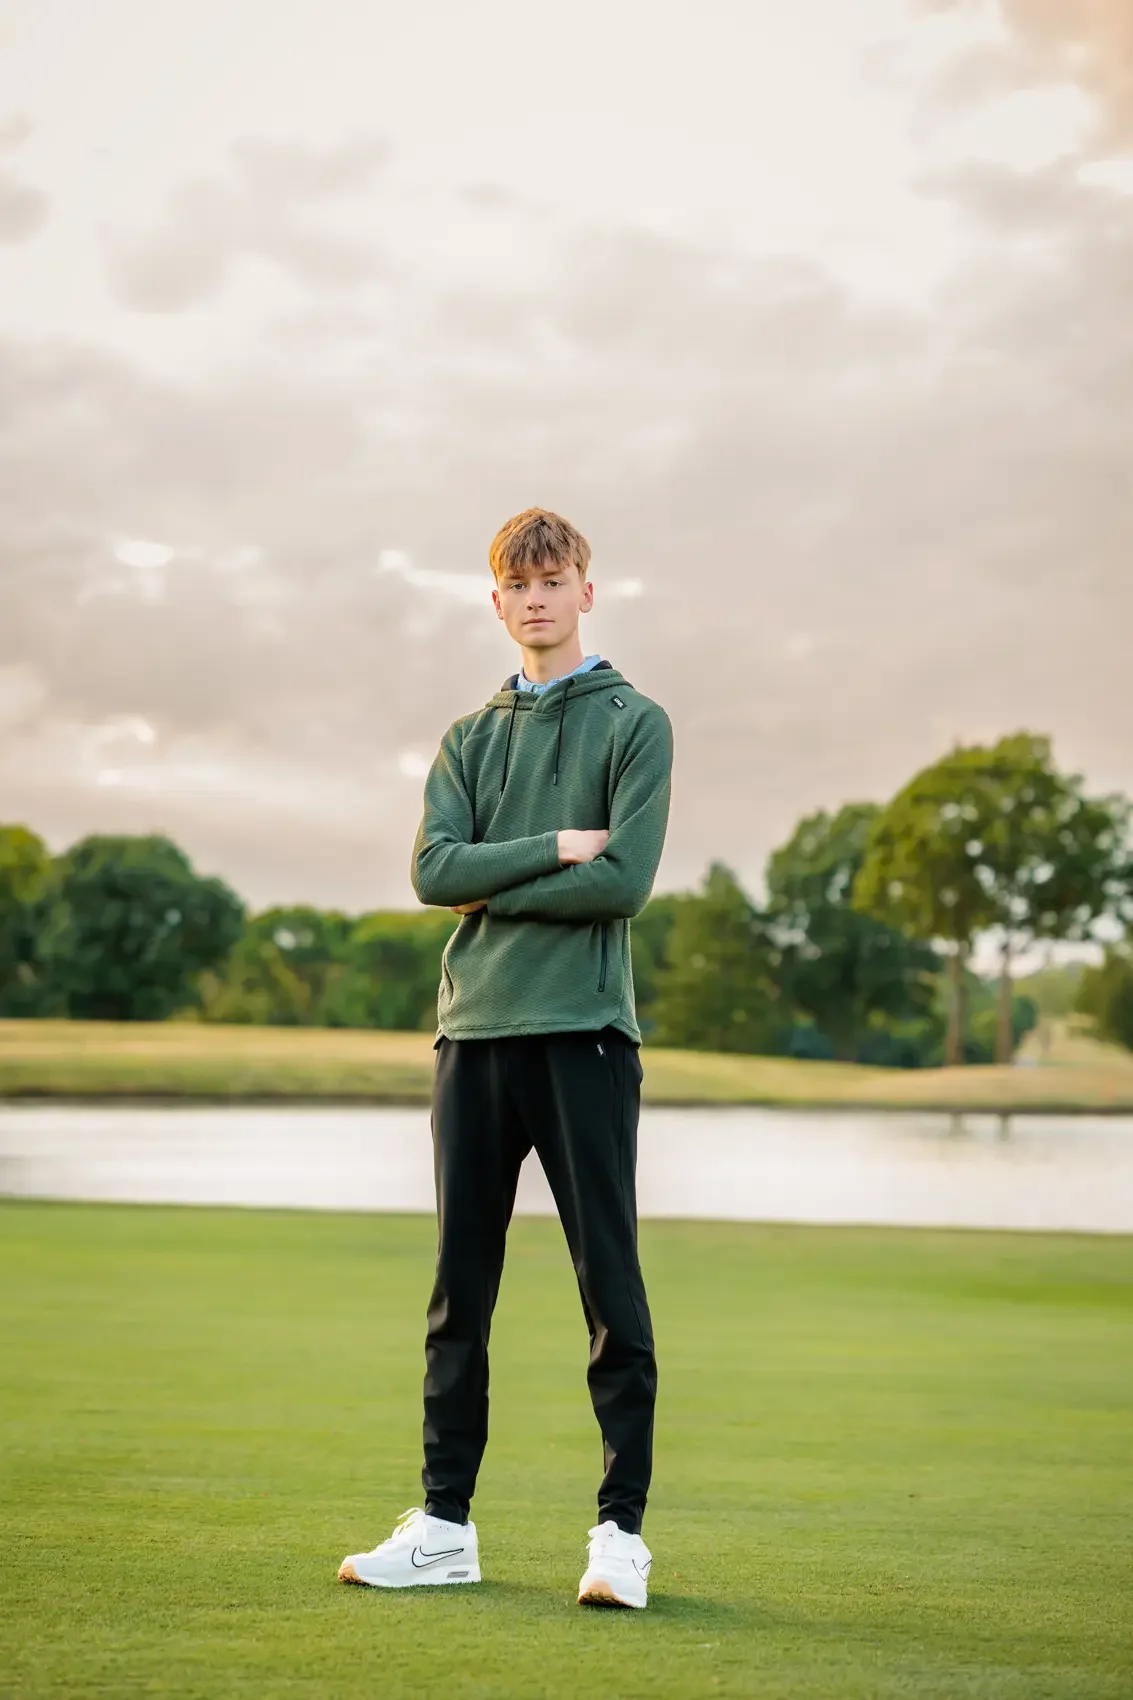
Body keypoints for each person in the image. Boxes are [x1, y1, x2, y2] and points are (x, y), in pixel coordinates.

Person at [338, 508, 673, 1609]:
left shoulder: (635, 722)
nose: (535, 597)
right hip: (472, 1034)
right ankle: (443, 1524)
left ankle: (619, 1534)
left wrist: (494, 878)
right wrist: (551, 847)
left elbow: (621, 884)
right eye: (515, 583)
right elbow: (432, 870)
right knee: (457, 1298)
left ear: (586, 590)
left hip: (581, 1035)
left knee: (608, 1290)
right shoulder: (467, 737)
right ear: (496, 602)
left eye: (553, 578)